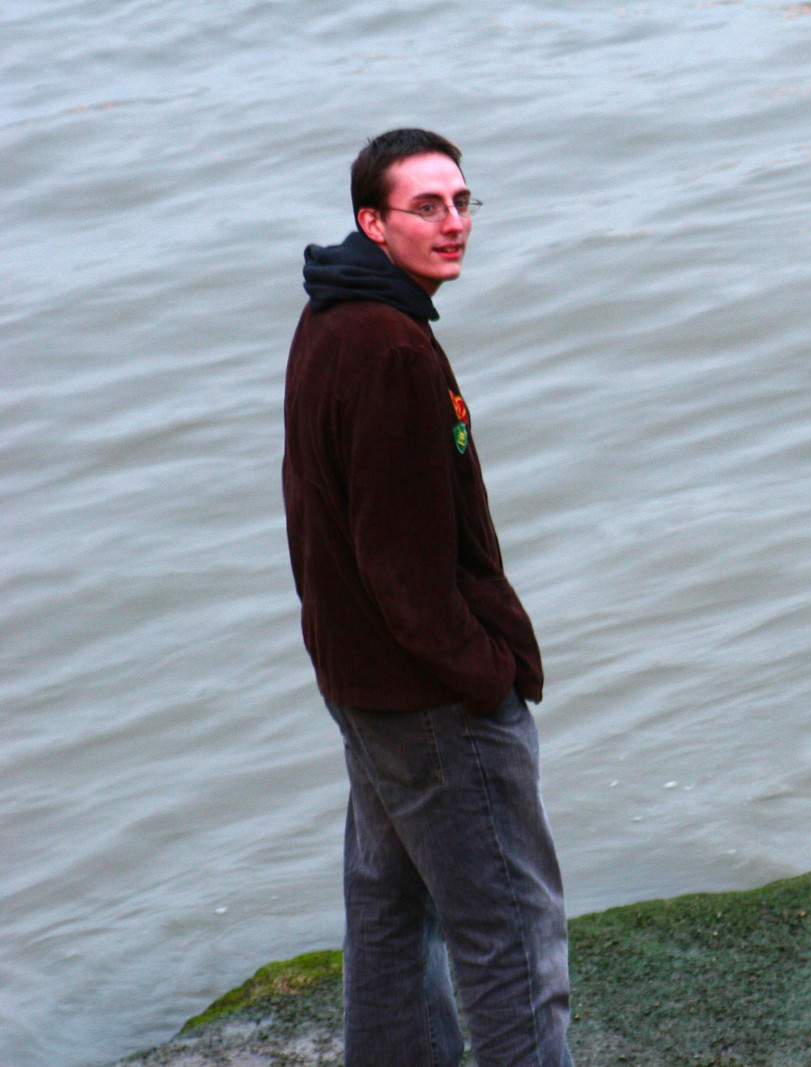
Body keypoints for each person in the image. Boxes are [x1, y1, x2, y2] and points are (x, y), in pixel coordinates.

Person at [282, 128, 574, 1067]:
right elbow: (403, 567)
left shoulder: (332, 317)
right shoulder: (391, 351)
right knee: (512, 932)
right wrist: (485, 675)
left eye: (461, 202)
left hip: (361, 681)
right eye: (426, 206)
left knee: (391, 911)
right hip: (430, 701)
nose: (453, 223)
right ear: (373, 222)